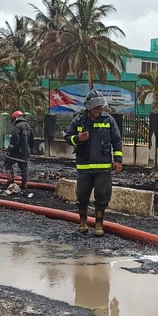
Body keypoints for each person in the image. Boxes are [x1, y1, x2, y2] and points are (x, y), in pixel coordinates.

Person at [64, 89, 123, 237]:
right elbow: (67, 137)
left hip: (103, 168)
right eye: (96, 108)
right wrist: (77, 138)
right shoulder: (78, 120)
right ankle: (83, 222)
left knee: (102, 196)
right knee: (82, 195)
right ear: (89, 108)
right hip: (84, 167)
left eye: (100, 108)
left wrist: (118, 160)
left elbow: (117, 140)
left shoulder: (108, 120)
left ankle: (98, 224)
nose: (99, 110)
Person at [4, 110, 34, 190]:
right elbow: (32, 140)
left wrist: (10, 148)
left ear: (14, 118)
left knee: (7, 163)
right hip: (25, 152)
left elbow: (15, 139)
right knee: (23, 167)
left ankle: (10, 181)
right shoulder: (29, 127)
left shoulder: (17, 127)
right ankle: (24, 183)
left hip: (16, 151)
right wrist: (29, 150)